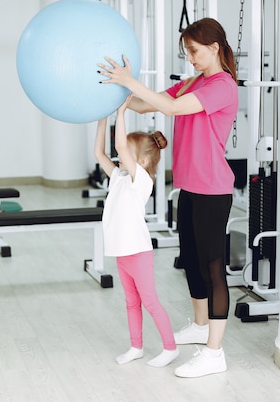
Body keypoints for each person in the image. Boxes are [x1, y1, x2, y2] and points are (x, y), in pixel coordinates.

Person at [97, 17, 239, 378]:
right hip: (189, 186)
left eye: (193, 50)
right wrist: (119, 100)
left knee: (212, 267)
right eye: (186, 52)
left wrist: (130, 81)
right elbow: (154, 105)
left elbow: (173, 109)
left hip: (213, 188)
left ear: (214, 47)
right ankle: (200, 324)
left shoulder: (222, 86)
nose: (189, 58)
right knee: (190, 259)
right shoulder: (194, 82)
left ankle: (215, 351)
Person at [95, 95, 178, 368]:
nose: (120, 156)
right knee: (131, 302)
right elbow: (99, 153)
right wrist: (102, 115)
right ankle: (136, 347)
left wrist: (121, 113)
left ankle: (170, 348)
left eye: (126, 154)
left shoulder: (141, 180)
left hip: (138, 252)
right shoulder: (119, 177)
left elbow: (119, 144)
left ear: (142, 160)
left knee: (150, 302)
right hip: (122, 251)